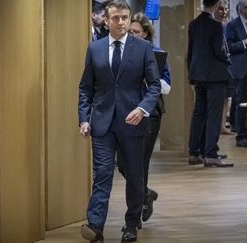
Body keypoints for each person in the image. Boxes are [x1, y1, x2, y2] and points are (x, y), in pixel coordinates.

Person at [78, 1, 161, 242]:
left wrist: (143, 109)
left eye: (125, 17)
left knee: (134, 175)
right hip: (102, 122)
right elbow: (85, 88)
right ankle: (95, 225)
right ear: (106, 20)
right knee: (102, 173)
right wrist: (84, 118)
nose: (121, 22)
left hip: (133, 122)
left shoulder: (143, 47)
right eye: (116, 18)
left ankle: (131, 224)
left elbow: (154, 85)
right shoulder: (95, 49)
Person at [118, 11, 171, 225]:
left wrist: (149, 75)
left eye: (137, 32)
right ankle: (146, 194)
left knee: (140, 163)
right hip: (126, 113)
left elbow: (166, 87)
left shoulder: (156, 53)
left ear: (146, 34)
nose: (133, 35)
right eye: (130, 32)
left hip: (151, 113)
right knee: (122, 163)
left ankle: (136, 213)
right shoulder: (121, 52)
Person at [187, 0, 234, 168]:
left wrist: (191, 74)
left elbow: (190, 51)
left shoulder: (193, 24)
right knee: (213, 114)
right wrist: (227, 60)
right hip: (215, 75)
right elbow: (219, 51)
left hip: (198, 74)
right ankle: (211, 154)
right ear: (215, 6)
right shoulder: (216, 25)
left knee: (199, 113)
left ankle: (194, 153)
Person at [225, 0, 247, 147]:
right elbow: (228, 46)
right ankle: (241, 135)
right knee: (241, 102)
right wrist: (244, 43)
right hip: (240, 70)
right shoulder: (232, 25)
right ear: (241, 10)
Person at [214, 0, 233, 135]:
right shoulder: (211, 26)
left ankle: (222, 126)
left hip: (227, 68)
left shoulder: (225, 25)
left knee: (226, 97)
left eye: (226, 9)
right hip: (215, 70)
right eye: (221, 9)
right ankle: (216, 128)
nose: (224, 12)